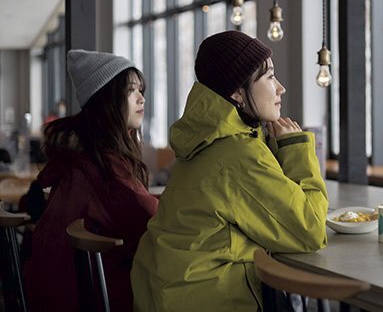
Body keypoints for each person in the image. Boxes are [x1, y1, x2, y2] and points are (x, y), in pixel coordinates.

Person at [131, 31, 328, 311]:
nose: (280, 88)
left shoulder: (208, 138)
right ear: (236, 91)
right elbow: (310, 231)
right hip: (207, 298)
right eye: (270, 77)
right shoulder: (237, 154)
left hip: (171, 293)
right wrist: (295, 147)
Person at [23, 50, 159, 312]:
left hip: (56, 294)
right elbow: (151, 221)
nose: (142, 98)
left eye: (141, 90)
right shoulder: (106, 165)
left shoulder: (84, 157)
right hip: (92, 298)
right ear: (107, 99)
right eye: (131, 91)